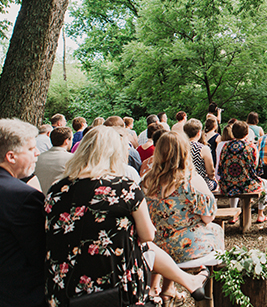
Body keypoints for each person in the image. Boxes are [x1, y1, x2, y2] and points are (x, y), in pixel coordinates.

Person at [45, 126, 210, 307]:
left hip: (63, 284)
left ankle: (180, 283)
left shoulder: (57, 189)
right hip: (115, 285)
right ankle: (186, 282)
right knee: (145, 244)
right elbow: (148, 235)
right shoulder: (125, 187)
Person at [142, 131, 225, 268]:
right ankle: (204, 277)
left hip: (155, 247)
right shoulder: (191, 181)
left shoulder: (146, 181)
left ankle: (167, 287)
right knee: (215, 229)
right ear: (185, 152)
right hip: (186, 249)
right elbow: (208, 217)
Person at [0, 119, 44, 307]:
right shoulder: (24, 196)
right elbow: (40, 252)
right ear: (11, 156)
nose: (37, 153)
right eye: (31, 149)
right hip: (17, 294)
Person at [218, 121, 267, 223]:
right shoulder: (251, 147)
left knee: (234, 183)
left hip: (227, 184)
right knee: (265, 183)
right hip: (246, 185)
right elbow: (256, 167)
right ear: (247, 133)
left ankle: (233, 211)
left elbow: (221, 166)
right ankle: (260, 214)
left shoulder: (225, 147)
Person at [35, 126, 73, 193]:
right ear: (66, 141)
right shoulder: (72, 159)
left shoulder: (38, 158)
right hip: (57, 199)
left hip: (37, 197)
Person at [183, 119, 217, 191]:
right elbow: (211, 172)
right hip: (200, 183)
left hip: (182, 182)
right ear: (199, 133)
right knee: (215, 184)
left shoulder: (179, 146)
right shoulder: (203, 148)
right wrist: (213, 178)